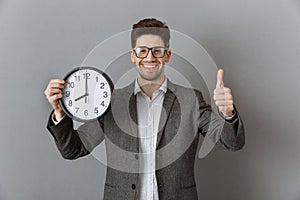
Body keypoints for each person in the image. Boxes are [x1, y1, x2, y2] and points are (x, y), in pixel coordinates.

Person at [44, 18, 245, 200]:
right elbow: (73, 150)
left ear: (167, 55)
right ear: (133, 55)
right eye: (142, 50)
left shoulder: (191, 99)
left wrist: (227, 114)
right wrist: (60, 113)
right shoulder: (111, 103)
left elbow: (232, 142)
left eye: (157, 50)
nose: (150, 58)